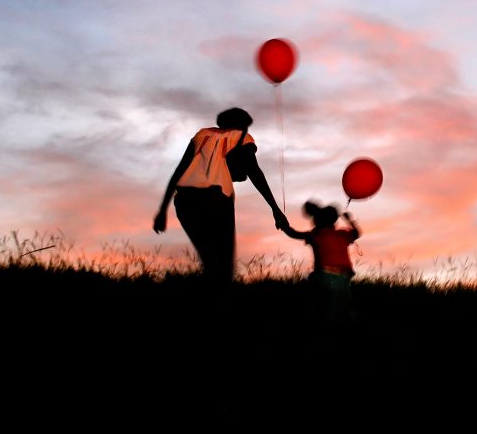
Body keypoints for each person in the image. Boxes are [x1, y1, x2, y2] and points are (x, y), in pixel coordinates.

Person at [154, 107, 286, 284]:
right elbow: (255, 172)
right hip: (216, 198)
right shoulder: (242, 137)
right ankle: (222, 302)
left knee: (209, 259)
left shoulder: (201, 135)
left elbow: (179, 171)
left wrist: (162, 210)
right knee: (224, 265)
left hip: (185, 200)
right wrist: (275, 209)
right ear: (241, 125)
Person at [276, 199, 361, 328]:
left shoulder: (316, 234)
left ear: (316, 221)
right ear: (333, 221)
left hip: (322, 276)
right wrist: (350, 220)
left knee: (323, 307)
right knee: (343, 308)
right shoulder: (342, 234)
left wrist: (283, 226)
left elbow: (293, 233)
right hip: (343, 277)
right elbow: (357, 233)